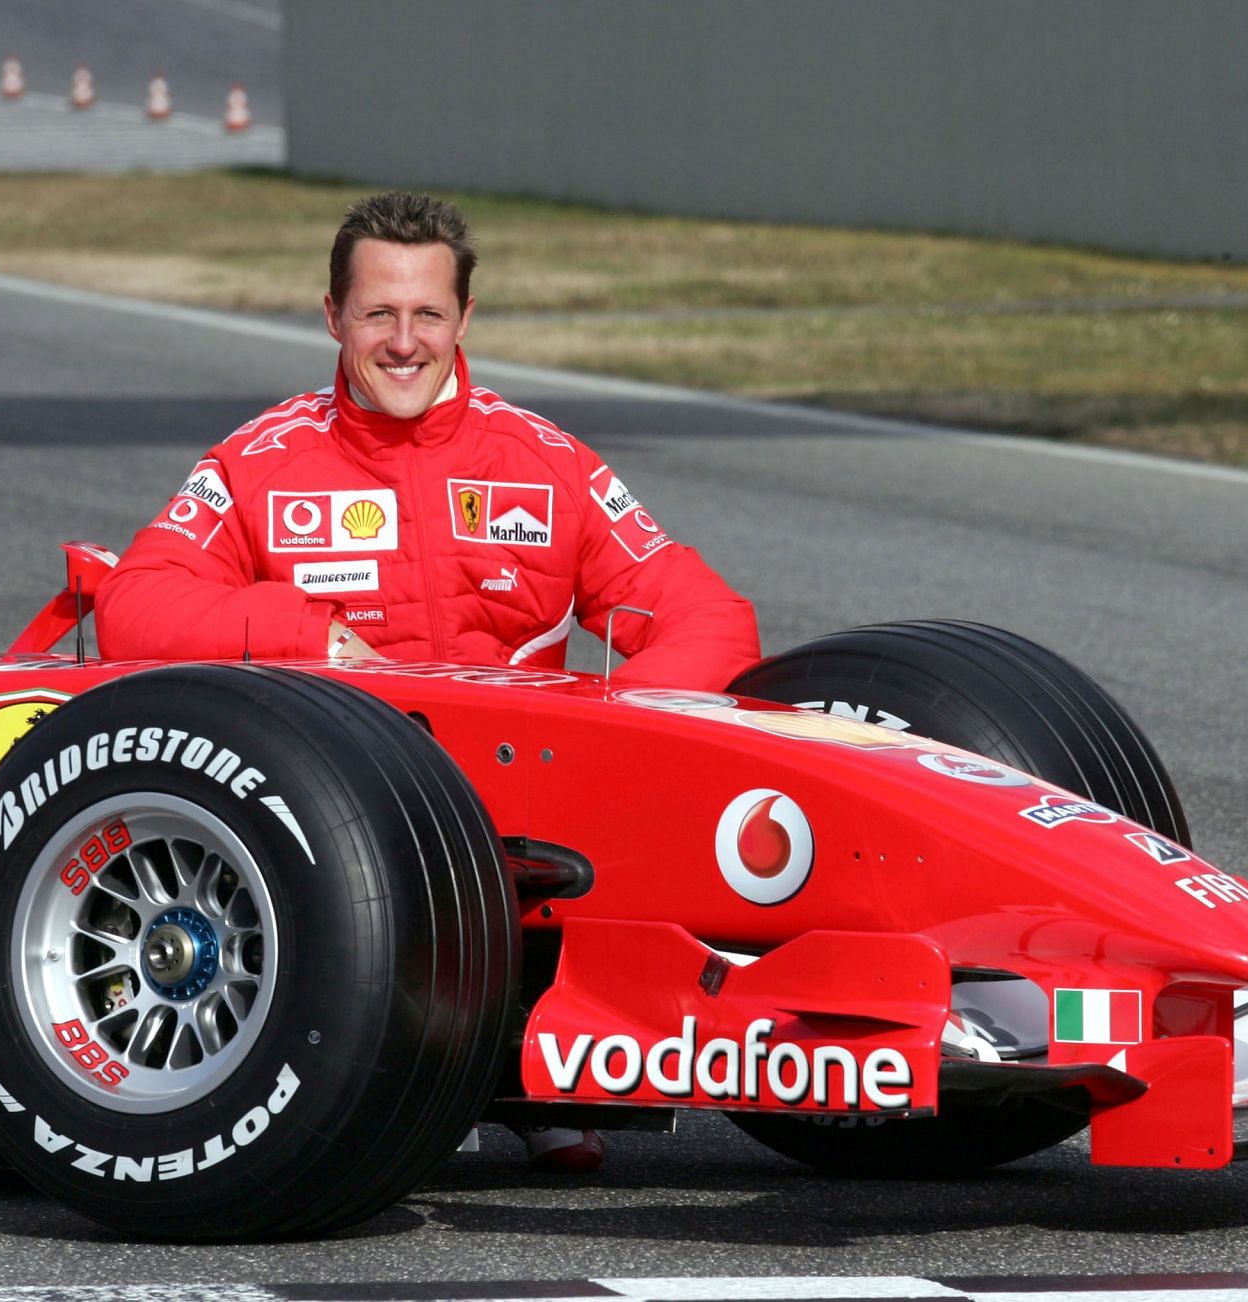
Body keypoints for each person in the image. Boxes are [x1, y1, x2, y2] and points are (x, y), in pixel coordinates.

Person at [94, 191, 761, 1171]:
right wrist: (305, 635)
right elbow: (133, 607)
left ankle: (535, 1046)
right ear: (333, 317)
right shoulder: (257, 463)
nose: (404, 343)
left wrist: (619, 728)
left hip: (529, 824)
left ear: (464, 321)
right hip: (341, 837)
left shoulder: (549, 463)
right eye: (378, 315)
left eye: (427, 316)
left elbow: (711, 617)